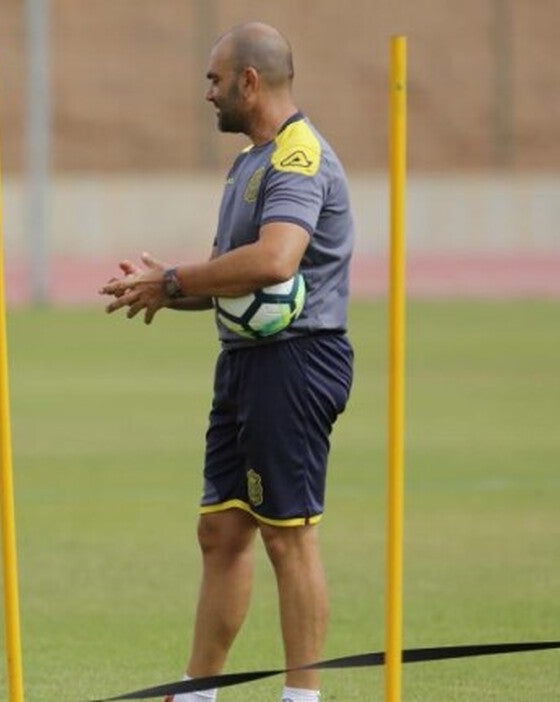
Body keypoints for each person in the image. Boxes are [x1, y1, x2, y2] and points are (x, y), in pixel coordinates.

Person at [100, 22, 355, 702]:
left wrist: (178, 278)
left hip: (297, 362)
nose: (206, 93)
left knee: (287, 537)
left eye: (215, 79)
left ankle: (302, 697)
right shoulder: (248, 162)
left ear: (250, 80)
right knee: (221, 531)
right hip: (246, 363)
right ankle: (198, 692)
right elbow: (234, 282)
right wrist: (163, 287)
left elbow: (276, 261)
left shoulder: (299, 158)